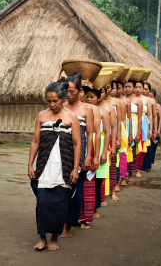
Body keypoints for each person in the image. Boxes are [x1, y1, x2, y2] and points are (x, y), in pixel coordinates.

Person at [28, 81, 81, 251]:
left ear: (63, 99)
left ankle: (54, 239)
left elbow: (77, 144)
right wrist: (30, 164)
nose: (52, 104)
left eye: (55, 101)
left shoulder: (71, 117)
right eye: (49, 101)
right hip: (45, 166)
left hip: (64, 167)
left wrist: (75, 168)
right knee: (42, 203)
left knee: (60, 204)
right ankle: (42, 238)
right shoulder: (42, 116)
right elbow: (36, 141)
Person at [52, 66, 96, 237]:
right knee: (59, 187)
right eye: (66, 91)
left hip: (80, 152)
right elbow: (53, 86)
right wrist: (59, 71)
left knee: (74, 189)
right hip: (61, 150)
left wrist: (88, 157)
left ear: (79, 92)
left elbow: (90, 133)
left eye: (71, 91)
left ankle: (68, 226)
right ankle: (57, 220)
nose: (68, 95)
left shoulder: (87, 109)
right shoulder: (61, 105)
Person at [84, 86, 110, 220]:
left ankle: (94, 208)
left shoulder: (103, 112)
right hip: (86, 141)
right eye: (87, 96)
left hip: (98, 142)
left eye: (92, 97)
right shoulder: (82, 109)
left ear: (98, 98)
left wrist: (104, 152)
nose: (89, 99)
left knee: (97, 178)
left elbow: (106, 132)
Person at [103, 82, 122, 201]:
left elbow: (118, 122)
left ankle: (113, 190)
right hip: (101, 136)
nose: (108, 90)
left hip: (112, 135)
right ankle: (102, 194)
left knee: (113, 164)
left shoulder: (116, 103)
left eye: (109, 87)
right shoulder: (93, 104)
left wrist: (118, 139)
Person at [115, 81, 133, 187]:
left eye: (118, 88)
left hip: (122, 127)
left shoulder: (125, 101)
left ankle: (123, 178)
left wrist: (127, 134)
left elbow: (128, 118)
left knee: (122, 155)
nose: (116, 90)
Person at [124, 80, 142, 182]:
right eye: (125, 87)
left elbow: (139, 118)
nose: (127, 89)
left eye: (129, 87)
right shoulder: (121, 99)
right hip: (123, 125)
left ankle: (130, 173)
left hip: (133, 125)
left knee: (132, 150)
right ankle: (123, 174)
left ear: (134, 88)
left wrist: (138, 133)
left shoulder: (137, 100)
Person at [133, 81, 152, 178]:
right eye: (136, 87)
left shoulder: (147, 100)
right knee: (131, 147)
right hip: (132, 123)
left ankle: (138, 170)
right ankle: (131, 170)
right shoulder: (130, 98)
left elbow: (150, 115)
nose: (138, 89)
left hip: (143, 124)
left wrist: (151, 129)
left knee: (142, 147)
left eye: (140, 87)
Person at [141, 82, 158, 172]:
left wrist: (154, 130)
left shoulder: (152, 101)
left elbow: (154, 116)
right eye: (142, 88)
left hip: (148, 125)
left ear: (149, 91)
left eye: (146, 89)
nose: (144, 91)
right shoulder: (138, 99)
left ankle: (146, 166)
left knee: (148, 145)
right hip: (138, 124)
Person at [150, 89, 161, 167]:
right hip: (148, 126)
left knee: (153, 146)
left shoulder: (157, 106)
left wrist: (158, 129)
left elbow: (160, 118)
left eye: (152, 97)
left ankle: (150, 163)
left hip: (155, 127)